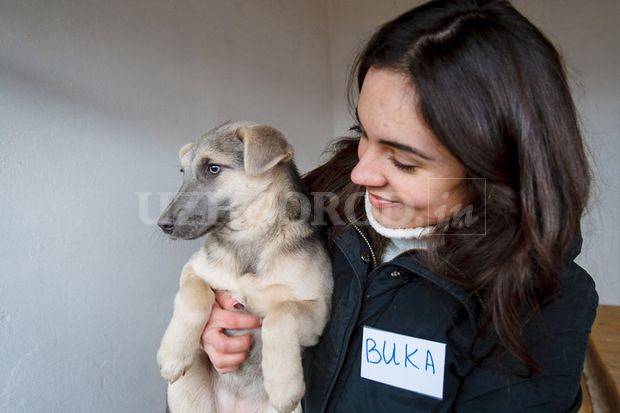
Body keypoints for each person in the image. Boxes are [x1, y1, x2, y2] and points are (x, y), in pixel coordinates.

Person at [201, 0, 598, 411]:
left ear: (497, 171)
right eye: (363, 133)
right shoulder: (325, 198)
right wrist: (225, 321)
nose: (361, 172)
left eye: (404, 162)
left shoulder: (544, 308)